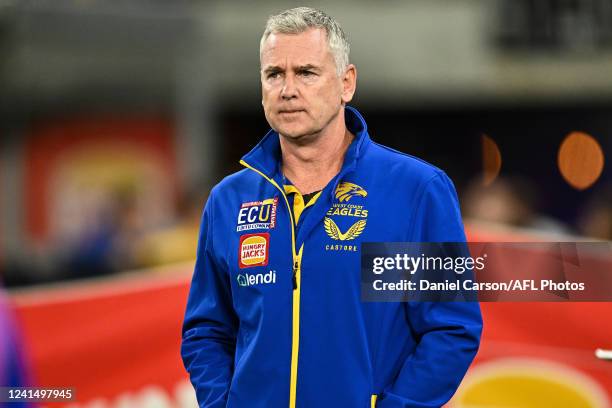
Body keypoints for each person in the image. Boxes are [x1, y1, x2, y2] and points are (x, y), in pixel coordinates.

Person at [181, 7, 482, 408]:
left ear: (346, 83)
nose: (288, 90)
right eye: (274, 74)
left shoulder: (416, 191)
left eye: (306, 73)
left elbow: (451, 330)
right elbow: (206, 330)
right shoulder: (228, 200)